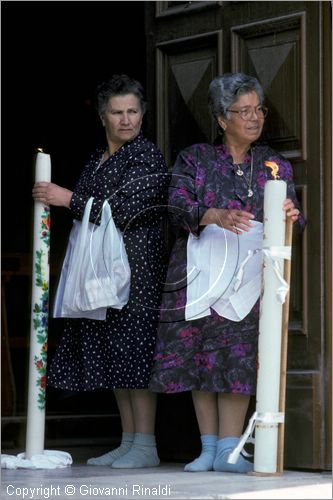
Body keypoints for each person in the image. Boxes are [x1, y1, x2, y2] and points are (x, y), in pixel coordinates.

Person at [149, 72, 305, 473]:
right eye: (244, 111)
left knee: (237, 358)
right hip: (201, 272)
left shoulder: (274, 165)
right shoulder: (196, 158)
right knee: (202, 355)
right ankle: (208, 448)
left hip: (249, 277)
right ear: (222, 119)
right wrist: (213, 213)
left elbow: (295, 223)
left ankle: (230, 449)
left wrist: (289, 216)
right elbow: (175, 205)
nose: (254, 118)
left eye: (259, 110)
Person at [32, 74, 169, 468]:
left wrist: (67, 198)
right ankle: (128, 441)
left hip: (136, 267)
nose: (126, 120)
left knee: (134, 351)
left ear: (143, 114)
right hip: (99, 270)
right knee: (113, 352)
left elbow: (129, 210)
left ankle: (145, 444)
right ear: (103, 116)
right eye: (117, 112)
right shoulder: (98, 157)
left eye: (133, 111)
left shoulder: (146, 156)